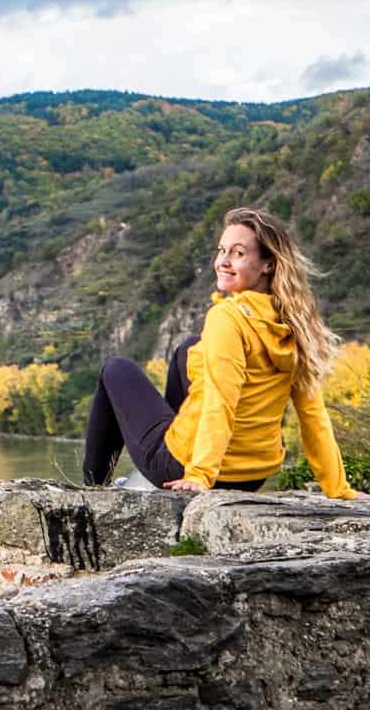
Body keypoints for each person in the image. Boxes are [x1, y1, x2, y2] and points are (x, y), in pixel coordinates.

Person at [81, 206, 355, 499]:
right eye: (222, 250)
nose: (223, 261)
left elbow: (221, 400)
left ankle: (92, 492)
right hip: (250, 477)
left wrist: (199, 474)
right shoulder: (294, 322)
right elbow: (313, 414)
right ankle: (166, 455)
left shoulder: (228, 317)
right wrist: (338, 489)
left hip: (191, 469)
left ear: (268, 265)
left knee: (116, 369)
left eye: (238, 253)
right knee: (189, 349)